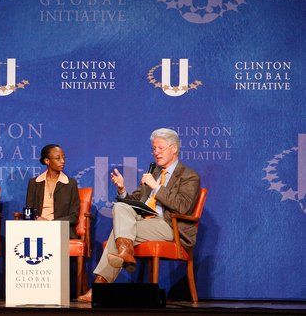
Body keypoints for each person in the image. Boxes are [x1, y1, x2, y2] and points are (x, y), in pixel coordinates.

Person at [78, 128, 201, 302]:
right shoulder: (155, 173)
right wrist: (122, 189)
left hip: (168, 226)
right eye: (154, 149)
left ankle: (99, 286)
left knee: (117, 234)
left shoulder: (189, 176)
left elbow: (183, 207)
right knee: (120, 206)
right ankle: (125, 252)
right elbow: (134, 201)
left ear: (174, 148)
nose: (156, 153)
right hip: (143, 220)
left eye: (160, 148)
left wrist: (156, 187)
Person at [24, 144, 80, 236]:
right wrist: (38, 218)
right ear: (47, 161)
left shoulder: (70, 183)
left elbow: (74, 216)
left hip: (61, 229)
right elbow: (28, 212)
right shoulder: (34, 182)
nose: (62, 161)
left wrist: (51, 223)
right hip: (37, 228)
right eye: (58, 158)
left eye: (63, 157)